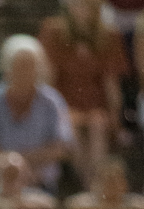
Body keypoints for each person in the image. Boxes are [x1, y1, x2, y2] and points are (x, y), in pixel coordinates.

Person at [39, 0, 126, 186]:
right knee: (72, 124)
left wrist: (115, 115)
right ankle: (89, 184)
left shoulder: (109, 35)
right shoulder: (54, 31)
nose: (82, 8)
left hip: (95, 107)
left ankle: (95, 184)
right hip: (64, 105)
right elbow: (49, 79)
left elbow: (111, 84)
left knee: (98, 124)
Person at [0, 35, 74, 192]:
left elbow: (61, 146)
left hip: (39, 177)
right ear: (5, 67)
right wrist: (11, 167)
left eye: (29, 66)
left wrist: (23, 165)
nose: (23, 72)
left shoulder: (52, 100)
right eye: (18, 66)